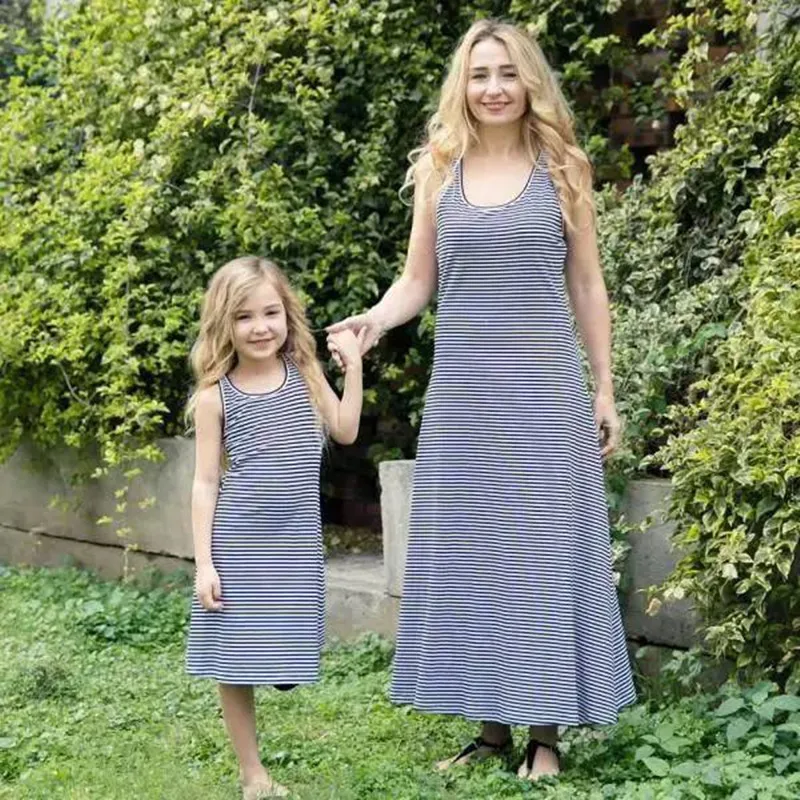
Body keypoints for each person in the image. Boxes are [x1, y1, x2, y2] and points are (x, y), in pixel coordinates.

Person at [327, 18, 635, 781]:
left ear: (529, 81)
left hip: (544, 394)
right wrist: (374, 321)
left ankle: (545, 734)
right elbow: (417, 280)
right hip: (464, 397)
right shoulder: (440, 170)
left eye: (507, 73)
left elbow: (587, 283)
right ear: (462, 86)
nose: (494, 88)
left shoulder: (563, 168)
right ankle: (491, 731)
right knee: (476, 555)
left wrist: (604, 387)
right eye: (480, 74)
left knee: (541, 552)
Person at [185, 256, 363, 799]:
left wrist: (353, 366)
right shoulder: (215, 397)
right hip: (238, 543)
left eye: (270, 313)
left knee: (287, 655)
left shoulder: (304, 376)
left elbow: (346, 430)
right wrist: (205, 563)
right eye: (244, 317)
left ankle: (276, 661)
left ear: (288, 315)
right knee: (233, 660)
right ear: (224, 324)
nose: (260, 327)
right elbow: (205, 483)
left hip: (295, 545)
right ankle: (253, 774)